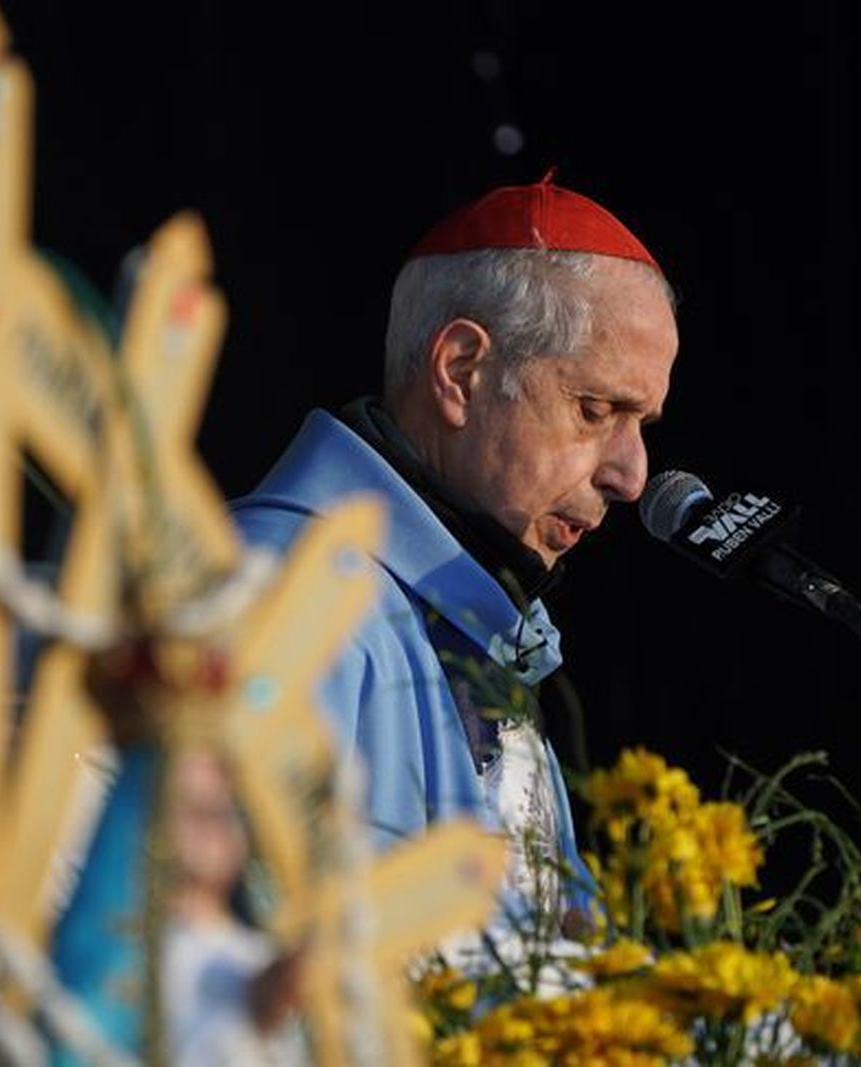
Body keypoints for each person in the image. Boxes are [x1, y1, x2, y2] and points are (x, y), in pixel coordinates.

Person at [231, 173, 679, 947]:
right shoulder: (277, 587)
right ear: (462, 371)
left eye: (643, 422)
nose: (632, 476)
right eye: (595, 409)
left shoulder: (485, 622)